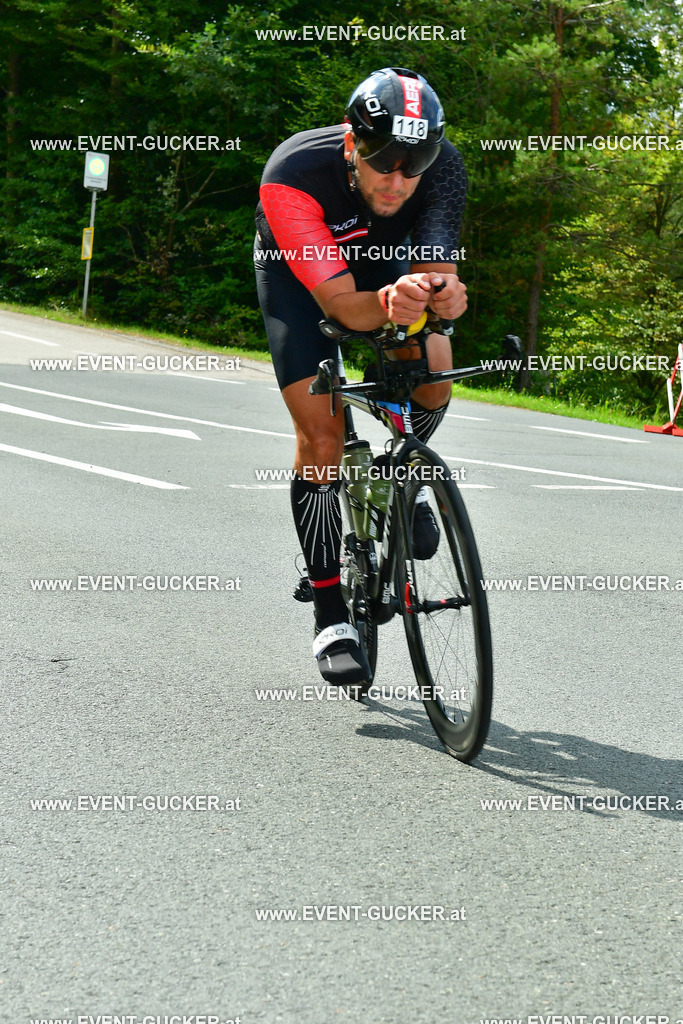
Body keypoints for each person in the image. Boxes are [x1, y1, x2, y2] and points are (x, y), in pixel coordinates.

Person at [254, 66, 468, 685]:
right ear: (353, 142)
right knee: (322, 437)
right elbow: (344, 307)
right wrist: (390, 302)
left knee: (433, 371)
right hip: (306, 282)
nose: (399, 182)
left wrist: (441, 297)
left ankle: (405, 475)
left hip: (388, 271)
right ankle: (328, 609)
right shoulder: (293, 172)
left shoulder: (443, 167)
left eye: (415, 165)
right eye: (384, 164)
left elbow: (434, 273)